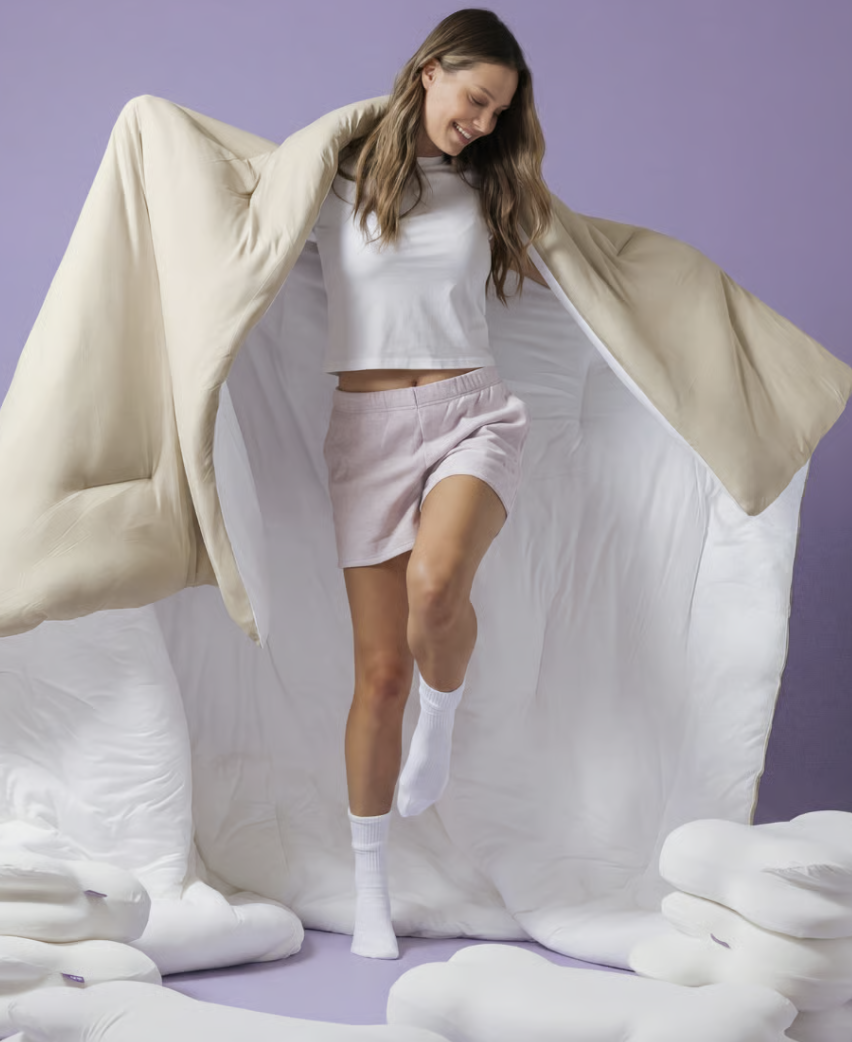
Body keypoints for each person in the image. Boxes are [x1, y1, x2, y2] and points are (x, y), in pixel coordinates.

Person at [311, 8, 553, 958]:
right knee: (378, 675)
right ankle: (371, 887)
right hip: (365, 432)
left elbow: (589, 276)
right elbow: (235, 216)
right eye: (476, 99)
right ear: (429, 72)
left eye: (500, 112)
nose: (486, 123)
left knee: (436, 584)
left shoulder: (491, 190)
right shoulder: (325, 181)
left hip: (471, 413)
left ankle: (441, 721)